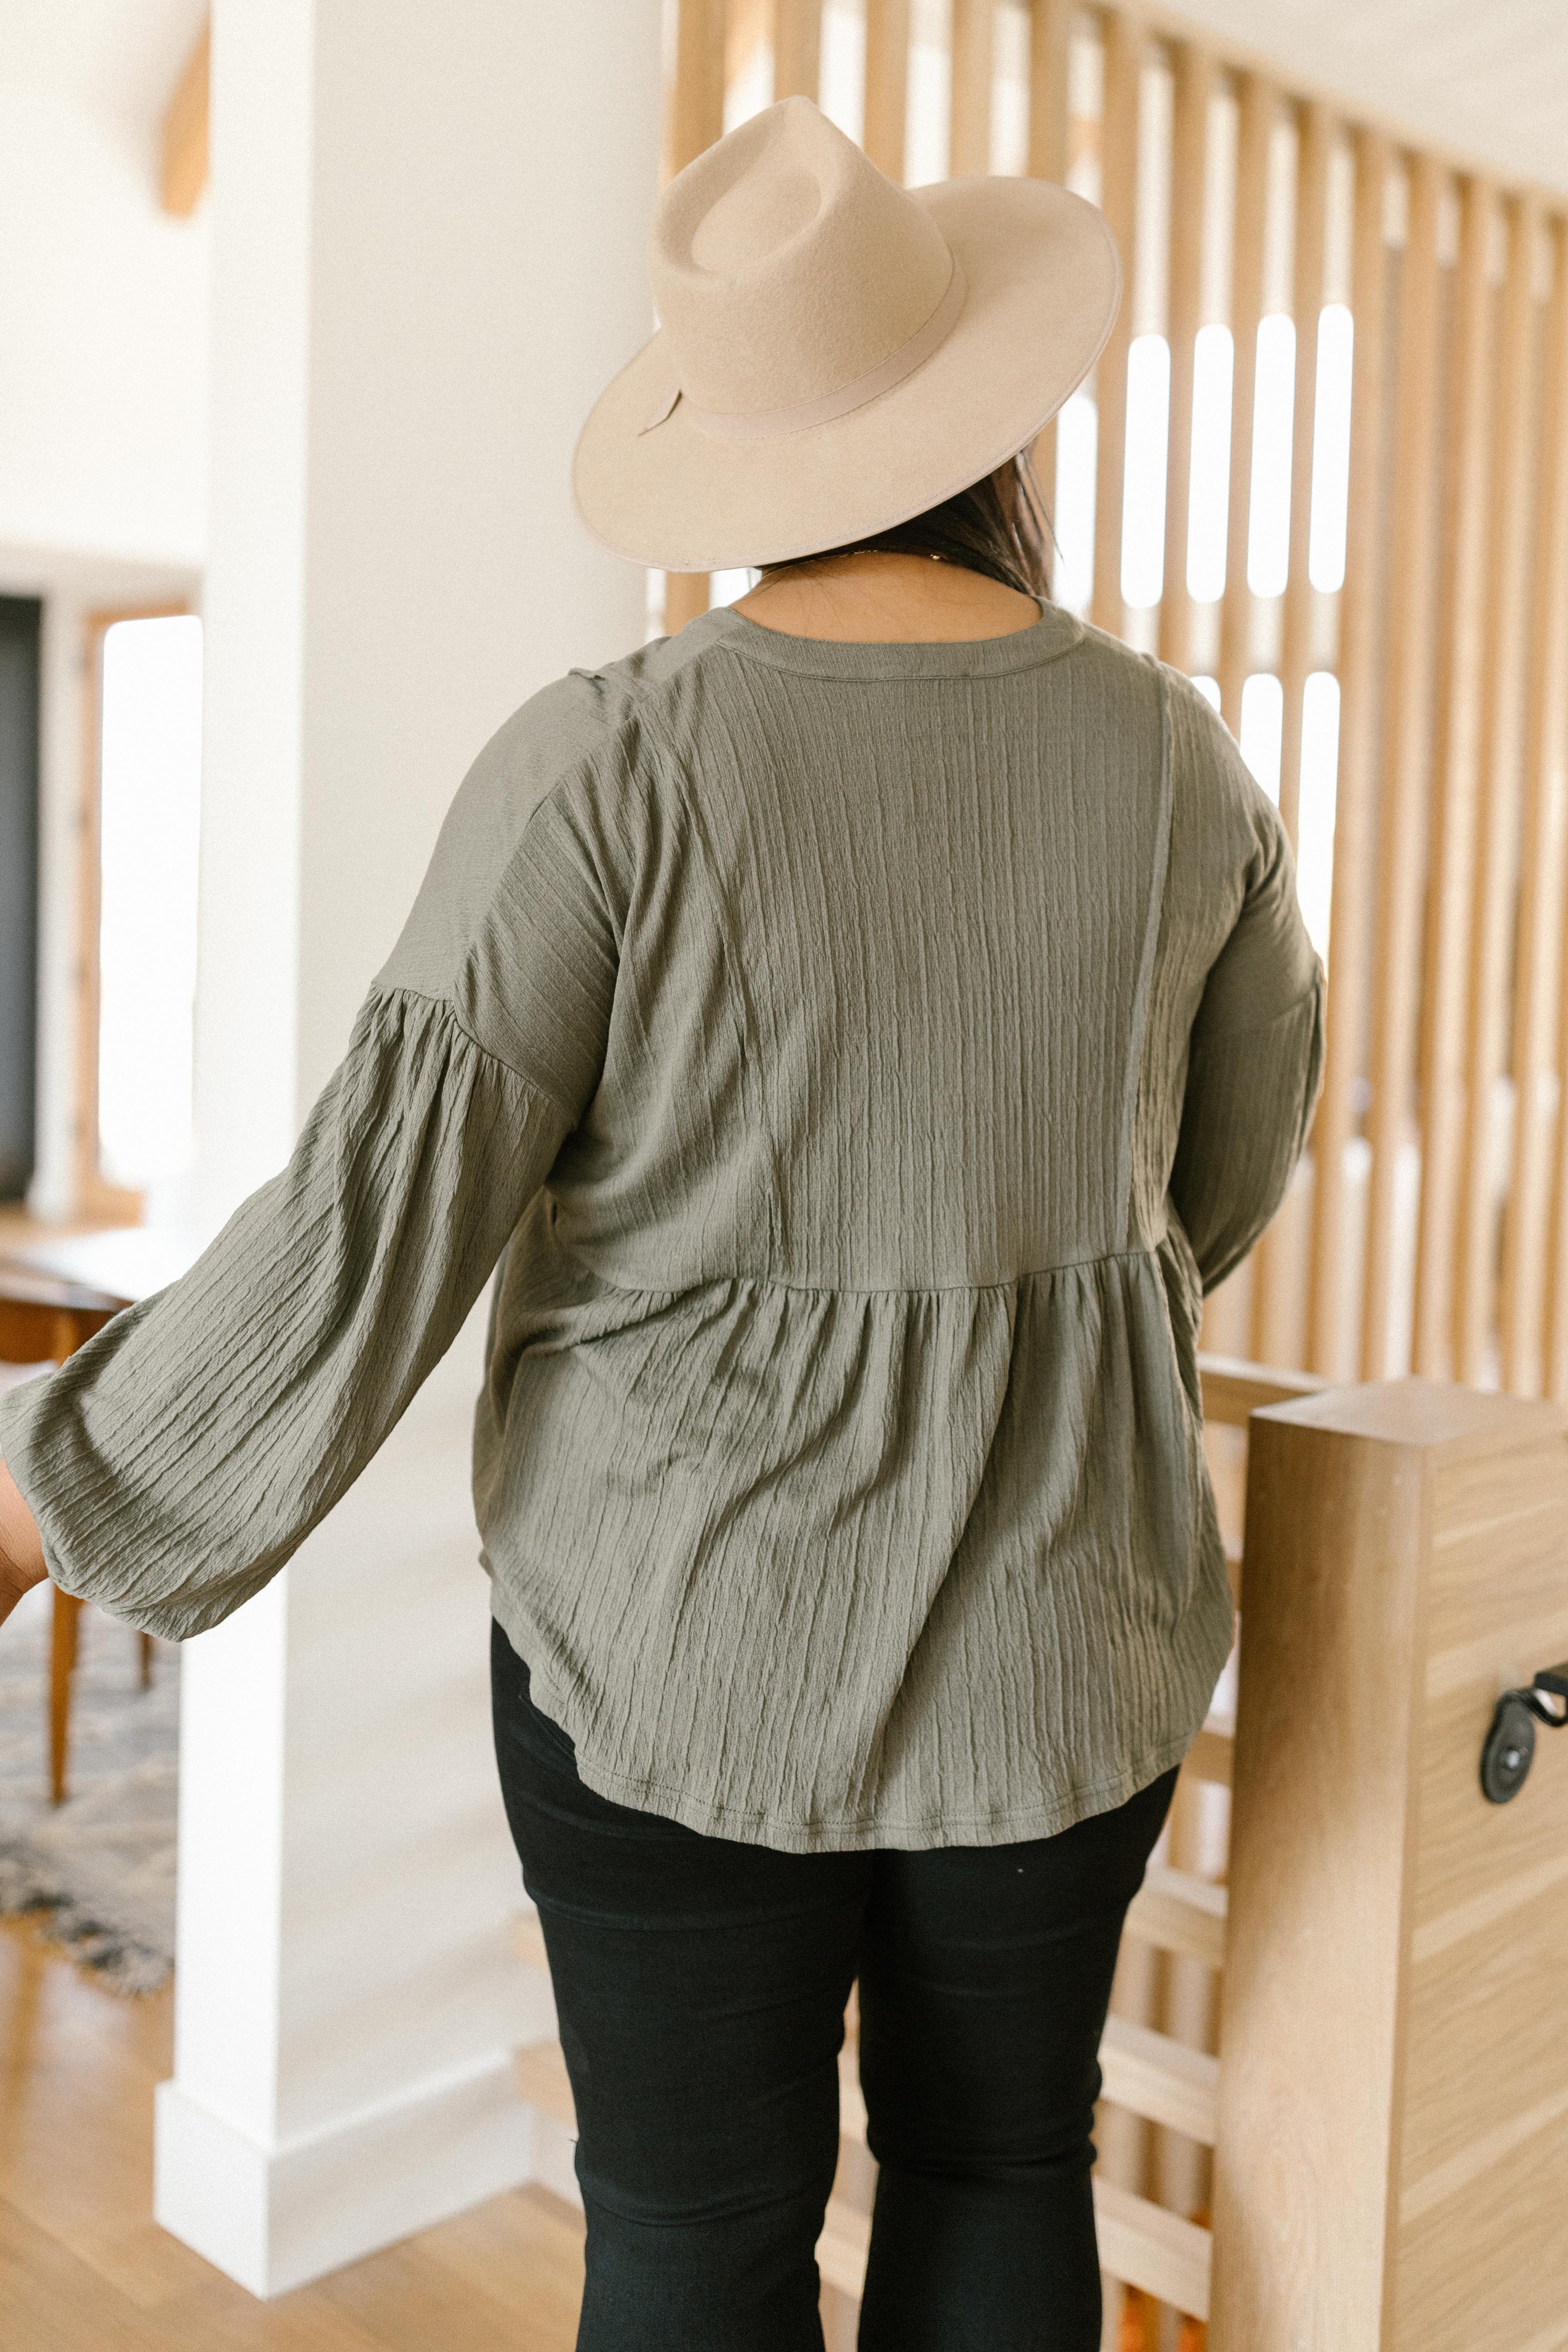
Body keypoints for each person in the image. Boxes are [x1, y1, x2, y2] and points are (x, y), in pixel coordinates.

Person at [0, 95, 1324, 2352]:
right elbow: (1221, 1168)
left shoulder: (605, 759)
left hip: (672, 1638)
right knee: (1004, 2168)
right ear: (984, 423)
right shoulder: (1167, 753)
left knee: (696, 2231)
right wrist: (1007, 1327)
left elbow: (375, 1210)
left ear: (736, 452)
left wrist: (54, 1497)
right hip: (1056, 1626)